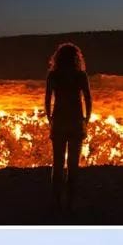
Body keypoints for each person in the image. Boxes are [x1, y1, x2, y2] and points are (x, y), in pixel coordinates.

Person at [45, 43, 92, 212]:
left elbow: (47, 100)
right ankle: (71, 203)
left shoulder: (53, 75)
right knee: (73, 165)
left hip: (59, 122)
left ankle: (56, 202)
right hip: (75, 123)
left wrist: (50, 119)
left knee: (57, 164)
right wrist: (86, 119)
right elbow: (88, 99)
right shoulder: (81, 75)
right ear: (76, 58)